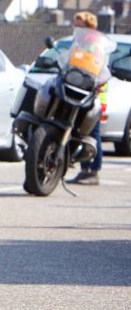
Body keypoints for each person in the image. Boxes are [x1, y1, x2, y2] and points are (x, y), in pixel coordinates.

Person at [68, 10, 104, 185]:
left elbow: (98, 66)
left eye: (79, 26)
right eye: (74, 26)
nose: (75, 28)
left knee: (93, 132)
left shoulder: (95, 44)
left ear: (88, 27)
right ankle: (83, 169)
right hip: (77, 89)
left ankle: (94, 171)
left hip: (93, 93)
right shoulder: (77, 43)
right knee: (80, 130)